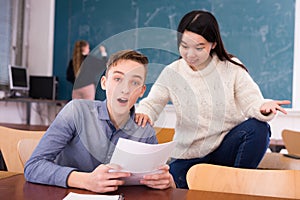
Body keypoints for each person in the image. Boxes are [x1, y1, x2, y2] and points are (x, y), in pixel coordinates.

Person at [135, 10, 291, 189]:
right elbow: (153, 102)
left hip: (224, 150)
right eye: (184, 46)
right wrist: (145, 113)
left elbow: (252, 101)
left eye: (199, 47)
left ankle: (236, 187)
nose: (190, 54)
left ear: (213, 44)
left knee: (258, 128)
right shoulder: (173, 72)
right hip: (189, 157)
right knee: (165, 185)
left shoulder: (231, 67)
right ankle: (215, 184)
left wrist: (262, 107)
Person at [25, 50, 175, 193]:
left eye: (134, 83)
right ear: (104, 83)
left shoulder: (144, 129)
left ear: (142, 91)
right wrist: (85, 180)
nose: (125, 89)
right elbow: (33, 167)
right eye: (118, 79)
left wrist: (167, 181)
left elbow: (161, 180)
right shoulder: (76, 111)